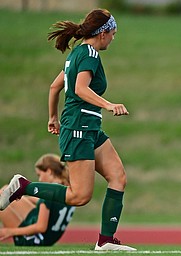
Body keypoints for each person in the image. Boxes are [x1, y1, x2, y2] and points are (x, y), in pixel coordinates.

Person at [0, 9, 136, 251]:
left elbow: (55, 87)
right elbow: (80, 88)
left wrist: (53, 116)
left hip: (90, 128)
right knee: (79, 196)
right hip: (79, 129)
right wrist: (109, 104)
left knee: (118, 178)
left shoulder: (77, 54)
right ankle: (23, 187)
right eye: (113, 34)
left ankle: (105, 240)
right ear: (103, 34)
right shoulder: (90, 54)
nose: (114, 38)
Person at [0, 154, 75, 246]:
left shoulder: (49, 194)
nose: (39, 179)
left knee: (2, 194)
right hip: (48, 239)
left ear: (49, 171)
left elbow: (41, 227)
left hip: (34, 239)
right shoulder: (67, 190)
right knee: (7, 191)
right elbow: (42, 203)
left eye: (39, 175)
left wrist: (10, 231)